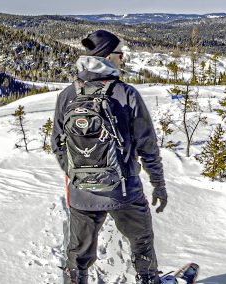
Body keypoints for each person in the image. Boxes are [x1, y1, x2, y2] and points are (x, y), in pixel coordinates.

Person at [51, 30, 167, 284]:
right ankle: (149, 281)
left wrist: (79, 175)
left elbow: (57, 145)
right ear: (106, 56)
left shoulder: (68, 95)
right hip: (124, 191)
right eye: (119, 53)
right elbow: (148, 146)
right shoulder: (126, 93)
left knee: (78, 257)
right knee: (142, 244)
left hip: (82, 194)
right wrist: (158, 183)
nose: (123, 58)